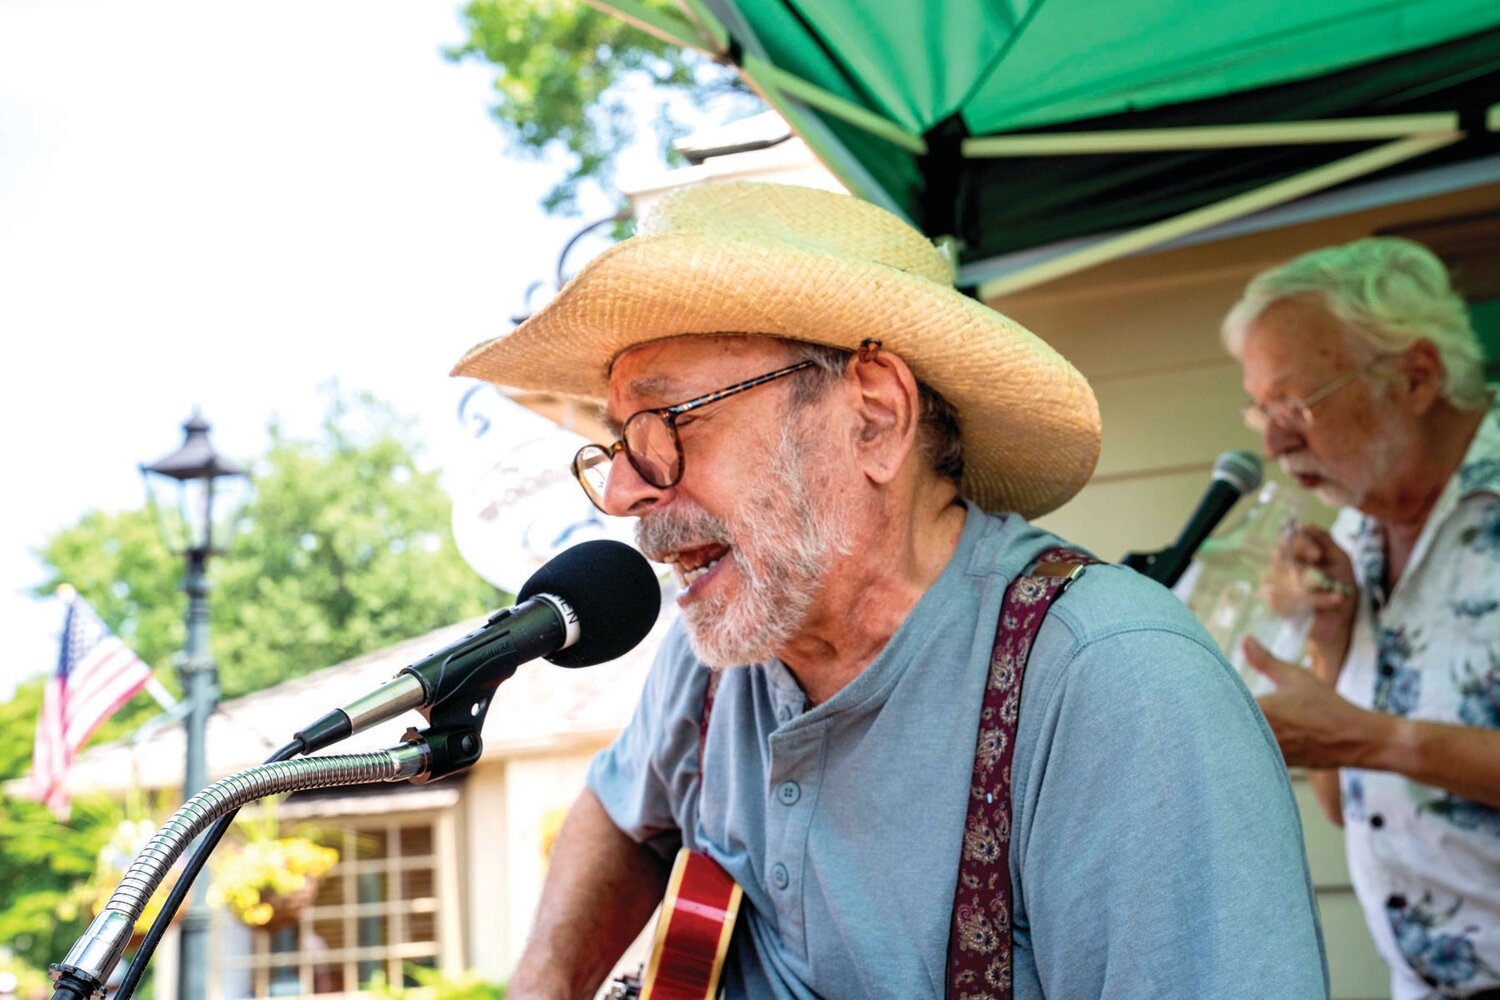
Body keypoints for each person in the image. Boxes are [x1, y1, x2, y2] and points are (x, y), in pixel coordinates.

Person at [454, 181, 1327, 999]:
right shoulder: (719, 655)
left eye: (668, 423)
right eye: (619, 441)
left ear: (874, 415)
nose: (622, 491)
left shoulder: (1115, 687)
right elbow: (620, 813)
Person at [1223, 236, 1500, 1000]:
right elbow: (1350, 808)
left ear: (1415, 377)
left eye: (1296, 404)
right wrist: (1329, 641)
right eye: (1261, 410)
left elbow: (1371, 746)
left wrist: (1371, 735)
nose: (1275, 443)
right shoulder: (1356, 533)